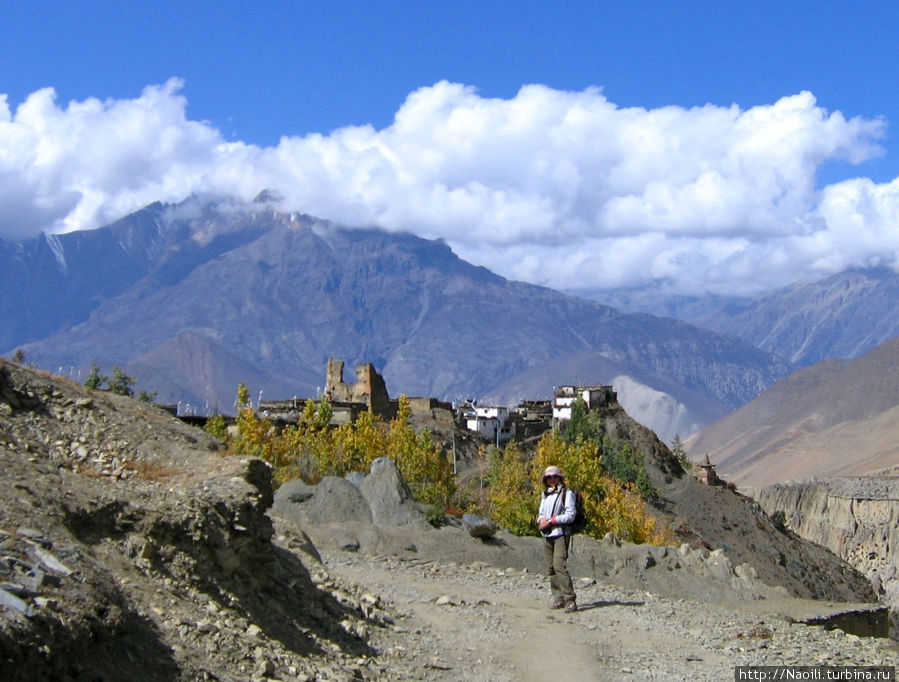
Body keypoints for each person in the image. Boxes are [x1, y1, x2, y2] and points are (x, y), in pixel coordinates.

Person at [536, 465, 577, 612]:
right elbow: (541, 513)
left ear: (559, 478)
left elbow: (570, 515)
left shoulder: (567, 493)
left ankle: (570, 599)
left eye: (554, 476)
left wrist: (552, 521)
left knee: (559, 565)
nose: (551, 479)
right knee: (550, 568)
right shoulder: (545, 495)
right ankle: (558, 598)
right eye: (548, 477)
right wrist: (541, 521)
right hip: (547, 534)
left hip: (561, 533)